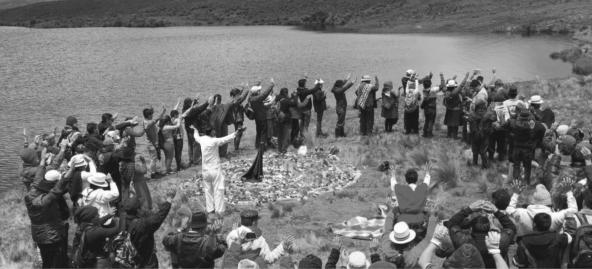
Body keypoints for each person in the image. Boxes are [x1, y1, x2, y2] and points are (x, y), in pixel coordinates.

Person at [24, 142, 70, 268]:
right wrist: (69, 174)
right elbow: (57, 190)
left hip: (38, 234)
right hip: (51, 236)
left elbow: (39, 176)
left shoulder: (33, 192)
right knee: (54, 261)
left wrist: (43, 161)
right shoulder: (46, 200)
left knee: (46, 260)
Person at [191, 124, 245, 215]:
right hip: (215, 170)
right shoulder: (214, 141)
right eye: (214, 131)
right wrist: (236, 133)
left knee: (208, 191)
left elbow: (196, 137)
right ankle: (219, 211)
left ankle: (210, 210)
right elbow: (226, 139)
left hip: (205, 170)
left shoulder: (202, 139)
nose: (215, 132)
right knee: (218, 190)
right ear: (211, 132)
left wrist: (195, 130)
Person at [445, 200, 516, 268]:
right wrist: (496, 211)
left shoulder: (464, 242)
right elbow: (511, 227)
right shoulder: (499, 242)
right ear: (490, 227)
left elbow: (451, 224)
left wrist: (469, 209)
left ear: (471, 228)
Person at [506, 180, 577, 237]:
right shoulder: (555, 217)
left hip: (526, 248)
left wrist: (515, 194)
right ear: (550, 203)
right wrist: (569, 192)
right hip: (549, 250)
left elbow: (509, 210)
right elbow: (573, 211)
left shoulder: (521, 213)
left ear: (533, 202)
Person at [124, 192, 174, 268]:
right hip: (146, 262)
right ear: (138, 210)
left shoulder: (122, 220)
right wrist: (169, 200)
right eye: (141, 206)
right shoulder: (142, 225)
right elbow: (158, 218)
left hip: (132, 260)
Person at [162, 211, 227, 268]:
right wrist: (216, 235)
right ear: (204, 227)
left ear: (191, 225)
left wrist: (181, 229)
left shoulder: (178, 238)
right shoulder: (207, 241)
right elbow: (220, 250)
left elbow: (165, 240)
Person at [226, 210, 293, 264]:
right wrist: (282, 247)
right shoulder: (258, 239)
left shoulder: (232, 235)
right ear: (254, 222)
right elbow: (269, 258)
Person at [389, 163, 432, 238]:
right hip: (420, 221)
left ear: (406, 179)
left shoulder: (400, 189)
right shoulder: (422, 188)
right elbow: (426, 181)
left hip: (403, 221)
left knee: (394, 211)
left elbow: (393, 184)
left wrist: (393, 174)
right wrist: (427, 172)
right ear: (417, 179)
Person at [467, 99, 496, 168]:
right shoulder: (488, 114)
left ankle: (478, 164)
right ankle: (483, 165)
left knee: (477, 151)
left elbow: (494, 119)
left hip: (479, 135)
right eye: (480, 108)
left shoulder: (473, 114)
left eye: (482, 108)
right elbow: (494, 119)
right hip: (481, 135)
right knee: (480, 151)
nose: (481, 110)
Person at [183, 97, 210, 165]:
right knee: (196, 144)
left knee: (190, 145)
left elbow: (194, 108)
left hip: (188, 130)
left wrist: (195, 100)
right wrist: (207, 102)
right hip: (193, 130)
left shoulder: (184, 110)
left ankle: (191, 159)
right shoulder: (191, 111)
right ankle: (196, 160)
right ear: (189, 104)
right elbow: (199, 109)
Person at [249, 79, 275, 150]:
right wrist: (271, 85)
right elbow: (265, 94)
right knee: (263, 132)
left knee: (259, 132)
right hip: (262, 118)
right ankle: (262, 147)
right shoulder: (257, 98)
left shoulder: (251, 98)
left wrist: (257, 84)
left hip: (257, 118)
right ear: (257, 92)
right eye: (259, 91)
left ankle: (257, 146)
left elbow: (252, 92)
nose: (260, 91)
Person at [443, 72, 470, 139]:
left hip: (449, 109)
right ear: (454, 86)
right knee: (455, 124)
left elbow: (444, 85)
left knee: (449, 122)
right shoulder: (455, 92)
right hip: (456, 109)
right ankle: (455, 136)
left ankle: (449, 135)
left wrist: (451, 78)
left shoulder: (446, 91)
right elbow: (461, 85)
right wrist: (466, 76)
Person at [142, 106, 166, 178]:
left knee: (154, 158)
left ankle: (154, 171)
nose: (152, 115)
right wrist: (163, 111)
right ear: (148, 115)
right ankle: (152, 173)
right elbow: (157, 119)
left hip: (152, 143)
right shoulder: (148, 123)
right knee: (153, 159)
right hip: (151, 144)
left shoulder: (146, 121)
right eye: (151, 114)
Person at [230, 86, 251, 151]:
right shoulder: (236, 102)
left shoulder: (234, 101)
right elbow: (243, 98)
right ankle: (236, 149)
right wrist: (247, 90)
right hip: (238, 120)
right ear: (235, 95)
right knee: (239, 134)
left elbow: (240, 96)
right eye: (238, 94)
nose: (239, 95)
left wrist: (242, 89)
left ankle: (236, 147)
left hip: (236, 119)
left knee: (237, 133)